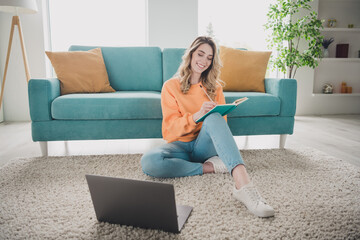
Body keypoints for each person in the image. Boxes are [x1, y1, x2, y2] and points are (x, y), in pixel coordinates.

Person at [141, 36, 274, 218]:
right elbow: (170, 129)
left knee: (214, 117)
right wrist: (196, 116)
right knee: (149, 161)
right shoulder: (171, 87)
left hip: (205, 146)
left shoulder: (215, 88)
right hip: (181, 145)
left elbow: (221, 127)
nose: (203, 61)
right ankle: (210, 167)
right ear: (191, 54)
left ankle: (244, 187)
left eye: (209, 58)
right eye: (200, 54)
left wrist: (209, 116)